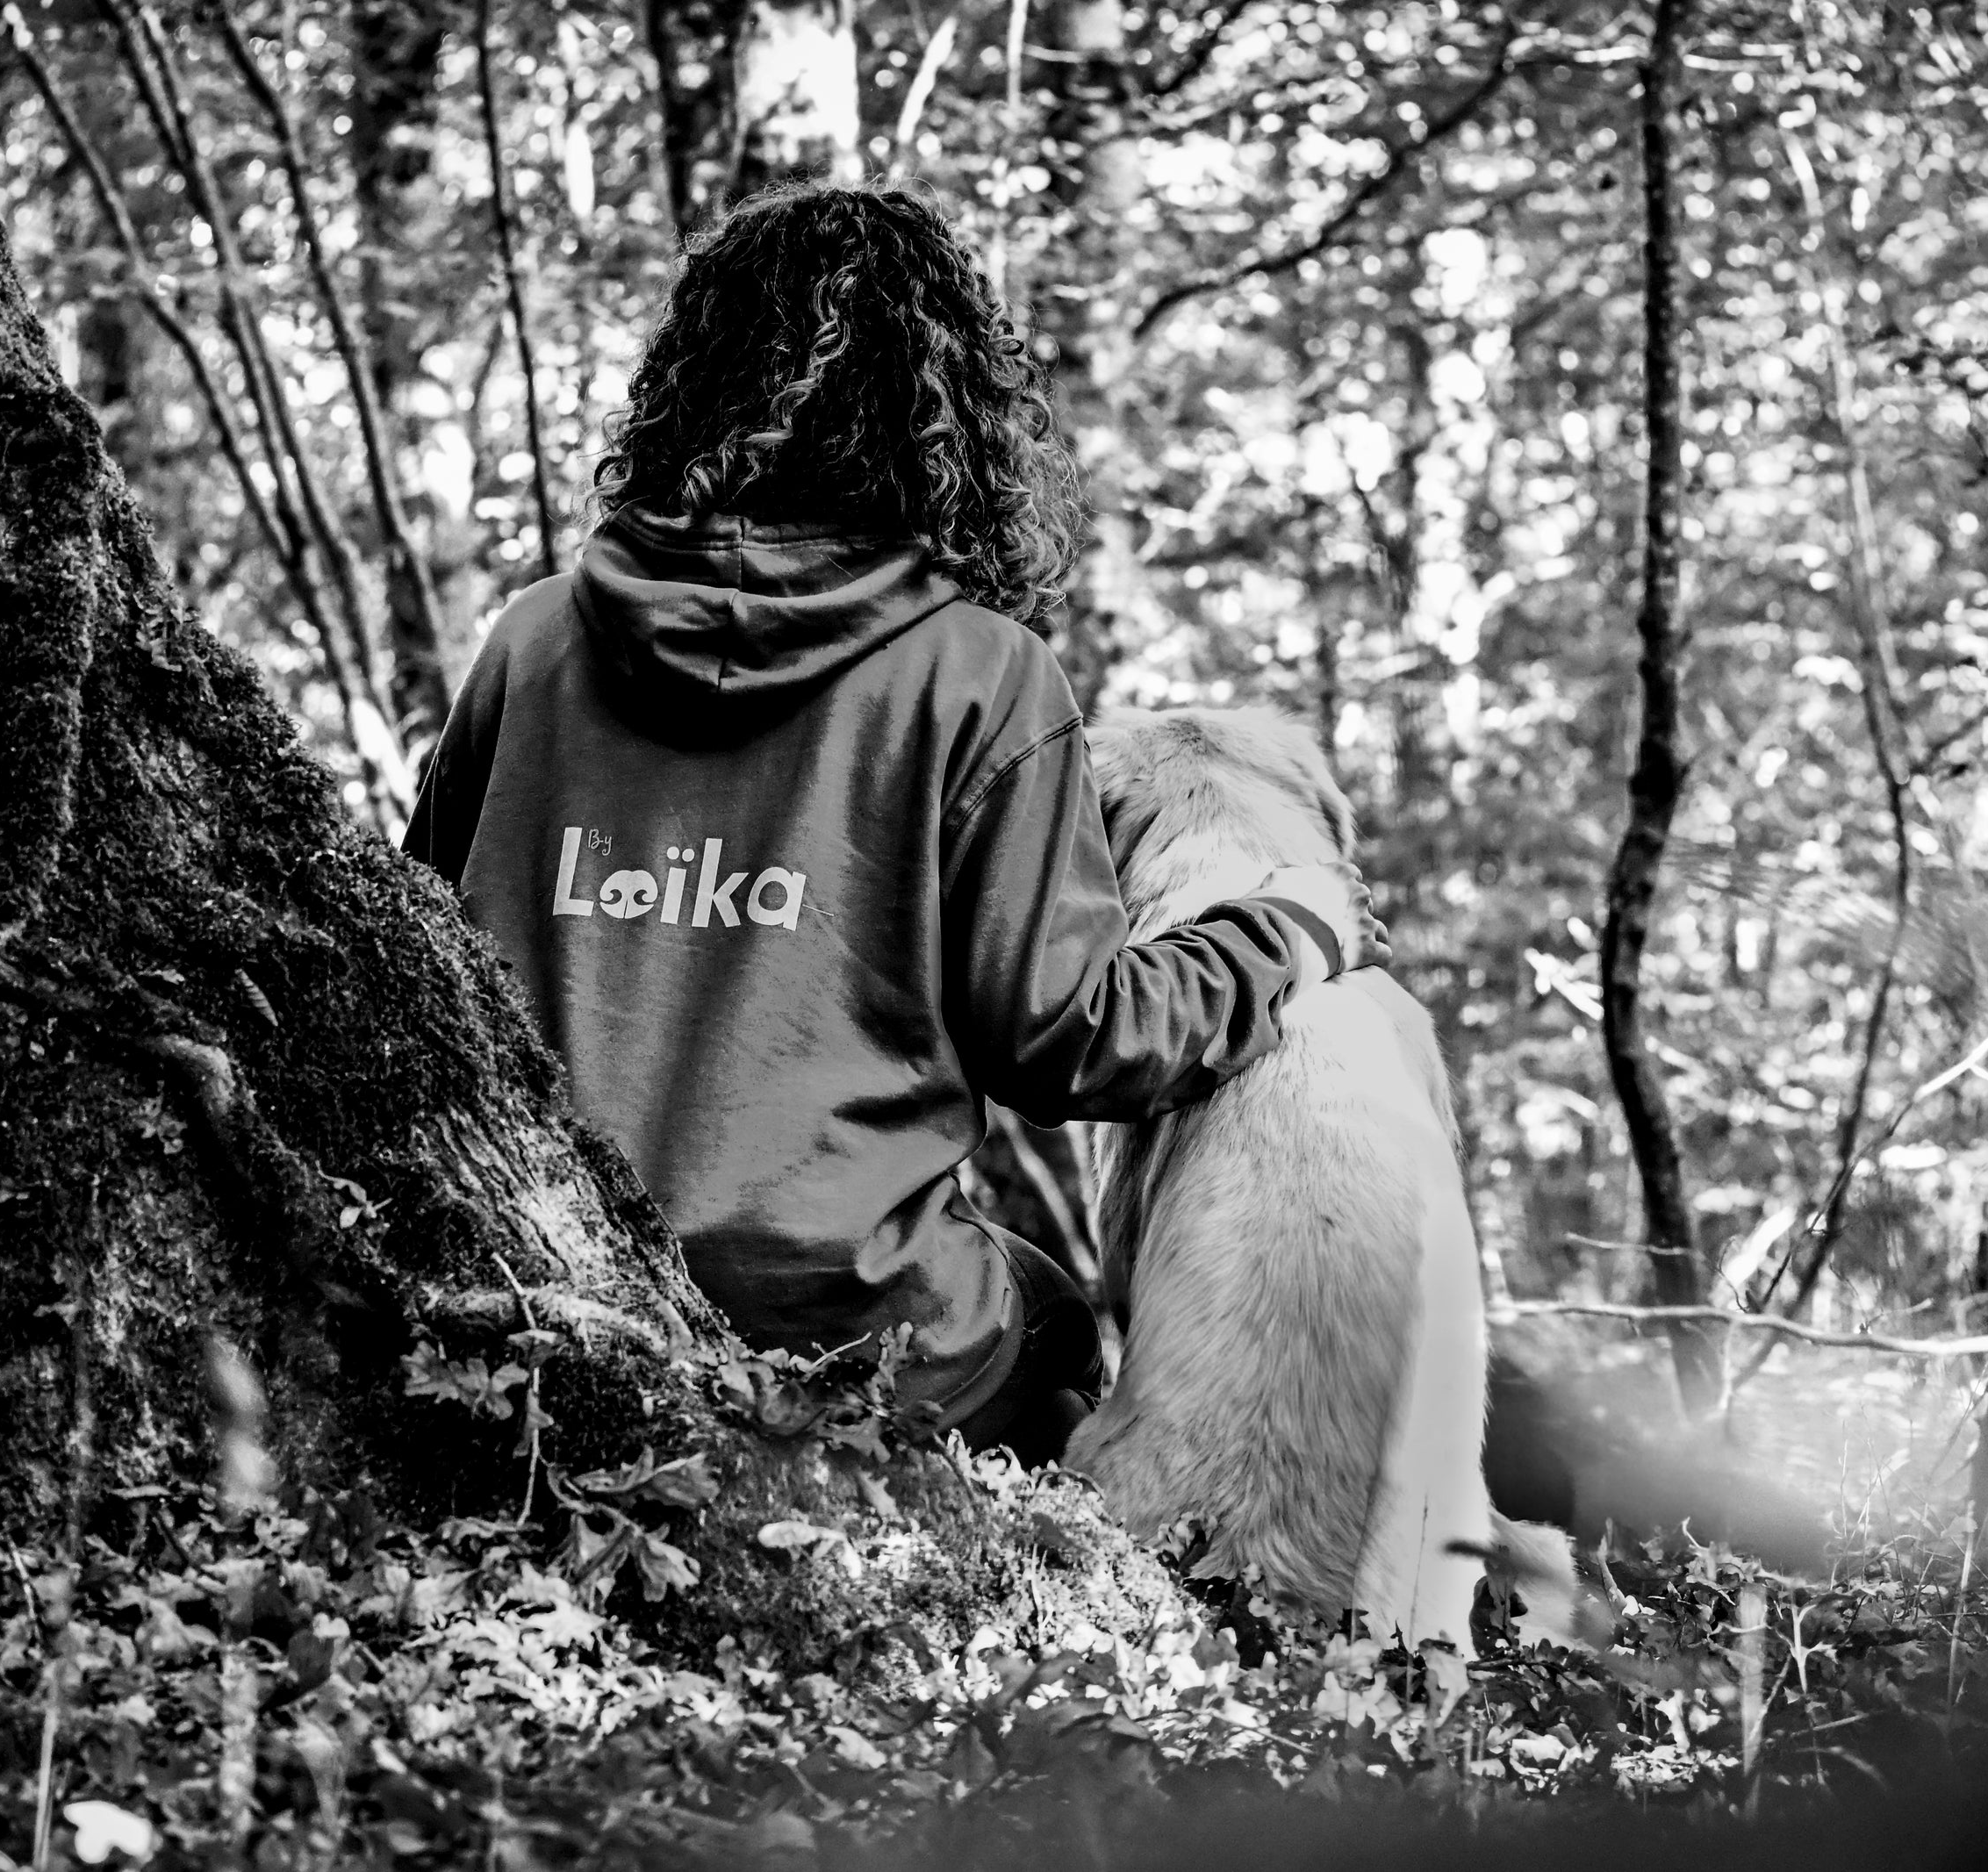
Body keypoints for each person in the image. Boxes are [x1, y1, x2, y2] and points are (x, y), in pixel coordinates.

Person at [401, 182, 1386, 1464]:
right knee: (1052, 1320)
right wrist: (1287, 932)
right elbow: (1073, 1041)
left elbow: (409, 951)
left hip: (534, 1276)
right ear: (956, 412)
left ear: (690, 381)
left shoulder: (533, 640)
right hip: (848, 1326)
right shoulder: (982, 674)